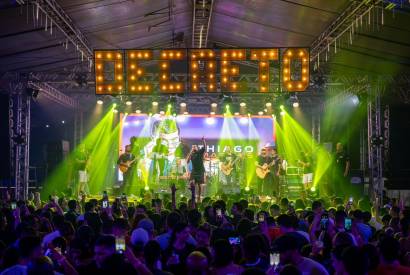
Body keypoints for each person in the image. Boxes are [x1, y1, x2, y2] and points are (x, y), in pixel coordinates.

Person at [187, 137, 207, 203]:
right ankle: (193, 196)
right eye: (192, 147)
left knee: (199, 185)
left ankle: (198, 197)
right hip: (194, 171)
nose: (193, 148)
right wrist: (190, 152)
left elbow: (204, 147)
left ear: (197, 148)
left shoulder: (200, 152)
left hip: (200, 170)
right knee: (192, 183)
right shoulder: (191, 154)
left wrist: (204, 140)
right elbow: (187, 161)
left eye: (194, 147)